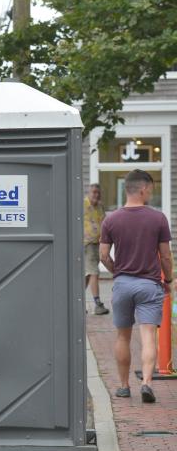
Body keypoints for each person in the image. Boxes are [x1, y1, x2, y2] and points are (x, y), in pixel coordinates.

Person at [99, 169, 174, 403]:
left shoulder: (111, 219)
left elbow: (103, 255)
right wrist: (169, 280)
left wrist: (118, 272)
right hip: (150, 284)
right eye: (150, 189)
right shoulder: (158, 218)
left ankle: (123, 386)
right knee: (149, 335)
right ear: (143, 189)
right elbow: (166, 257)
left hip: (123, 284)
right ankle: (146, 383)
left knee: (122, 337)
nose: (151, 193)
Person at [84, 184, 109, 314]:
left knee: (87, 275)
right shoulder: (81, 205)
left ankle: (76, 302)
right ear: (88, 192)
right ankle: (98, 305)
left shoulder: (100, 207)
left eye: (98, 192)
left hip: (96, 244)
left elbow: (104, 223)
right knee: (94, 272)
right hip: (85, 244)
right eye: (94, 192)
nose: (96, 195)